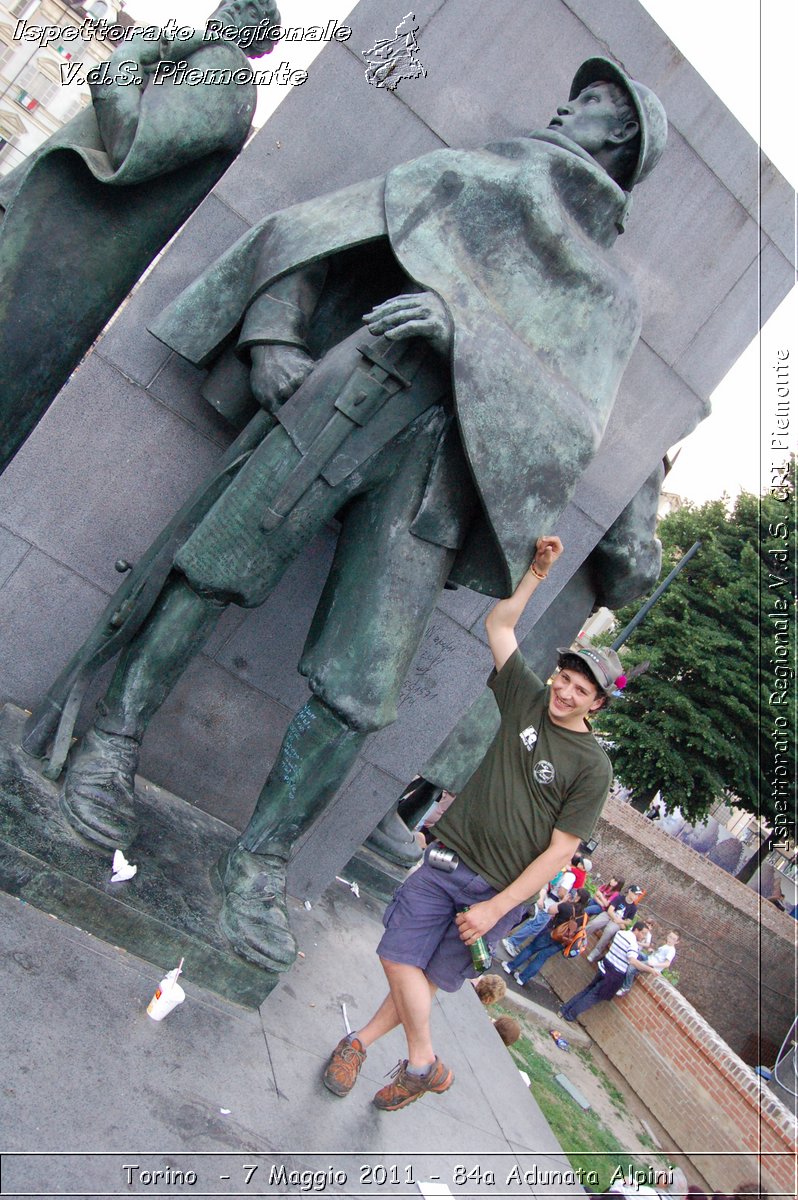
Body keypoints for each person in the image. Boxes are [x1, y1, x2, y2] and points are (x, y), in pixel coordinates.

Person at [46, 58, 666, 977]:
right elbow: (310, 238)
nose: (565, 104)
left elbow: (571, 425)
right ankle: (108, 743)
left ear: (618, 141)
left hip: (441, 477)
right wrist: (272, 339)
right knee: (215, 566)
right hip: (350, 396)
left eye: (594, 104)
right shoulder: (470, 174)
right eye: (574, 92)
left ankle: (256, 862)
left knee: (360, 690)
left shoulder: (607, 301)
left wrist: (468, 338)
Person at [321, 535, 626, 1109]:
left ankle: (359, 1044)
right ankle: (423, 1063)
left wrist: (495, 907)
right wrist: (535, 575)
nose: (565, 691)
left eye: (581, 689)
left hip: (495, 891)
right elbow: (500, 628)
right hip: (448, 857)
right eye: (565, 677)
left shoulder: (594, 766)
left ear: (597, 704)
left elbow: (561, 851)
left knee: (425, 982)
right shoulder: (529, 699)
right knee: (397, 956)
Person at [0, 0, 281, 473]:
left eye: (248, 6)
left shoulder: (224, 71)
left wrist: (130, 54)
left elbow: (134, 141)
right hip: (35, 245)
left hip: (45, 261)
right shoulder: (198, 61)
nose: (229, 6)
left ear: (258, 36)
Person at [559, 920, 660, 1021]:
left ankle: (564, 1009)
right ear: (636, 930)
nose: (643, 937)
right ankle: (570, 1015)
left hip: (604, 966)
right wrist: (650, 970)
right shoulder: (633, 943)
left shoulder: (620, 933)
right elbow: (633, 961)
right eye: (643, 933)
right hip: (613, 975)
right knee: (593, 997)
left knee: (588, 990)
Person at [504, 887, 591, 985]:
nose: (573, 894)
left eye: (576, 894)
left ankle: (510, 967)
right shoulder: (585, 917)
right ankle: (522, 978)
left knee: (531, 948)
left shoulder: (567, 906)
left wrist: (563, 901)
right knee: (542, 957)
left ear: (578, 898)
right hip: (562, 941)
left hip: (551, 933)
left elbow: (550, 910)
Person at [585, 884, 644, 960]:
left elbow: (629, 921)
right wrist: (615, 918)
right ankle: (582, 936)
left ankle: (596, 951)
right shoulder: (619, 898)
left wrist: (620, 921)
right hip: (609, 915)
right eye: (635, 894)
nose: (636, 896)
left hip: (618, 922)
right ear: (630, 892)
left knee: (609, 931)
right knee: (594, 923)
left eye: (638, 895)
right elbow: (610, 910)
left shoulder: (633, 908)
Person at [616, 928, 678, 996]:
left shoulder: (671, 950)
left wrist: (654, 964)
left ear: (677, 942)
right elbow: (659, 957)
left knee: (632, 967)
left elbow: (667, 964)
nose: (670, 939)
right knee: (635, 952)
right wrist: (652, 951)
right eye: (670, 937)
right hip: (649, 958)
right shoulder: (666, 946)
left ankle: (626, 987)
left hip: (652, 965)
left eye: (673, 939)